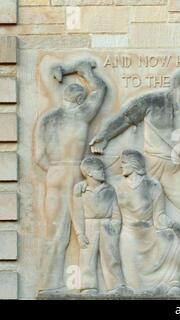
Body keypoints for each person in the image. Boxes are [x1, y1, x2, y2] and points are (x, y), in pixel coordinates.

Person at [90, 69, 180, 217]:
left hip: (172, 170)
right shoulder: (152, 101)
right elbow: (125, 119)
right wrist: (104, 137)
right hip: (149, 166)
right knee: (136, 208)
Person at [34, 60, 107, 293]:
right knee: (83, 230)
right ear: (78, 100)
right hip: (75, 171)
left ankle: (48, 285)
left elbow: (39, 157)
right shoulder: (81, 114)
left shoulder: (46, 119)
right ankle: (83, 284)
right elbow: (101, 89)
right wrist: (82, 70)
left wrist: (56, 170)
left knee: (54, 231)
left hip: (54, 173)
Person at [115, 149, 180, 294]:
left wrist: (175, 225)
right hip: (129, 235)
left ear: (134, 164)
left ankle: (172, 283)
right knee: (135, 289)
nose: (120, 166)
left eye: (123, 162)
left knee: (179, 237)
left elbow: (159, 216)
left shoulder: (153, 185)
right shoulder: (117, 186)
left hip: (149, 233)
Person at [72, 157, 128, 295]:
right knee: (87, 257)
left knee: (111, 256)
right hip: (89, 225)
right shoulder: (81, 190)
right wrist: (80, 233)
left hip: (107, 225)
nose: (103, 172)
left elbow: (116, 210)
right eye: (100, 169)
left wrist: (115, 226)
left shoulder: (109, 189)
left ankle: (115, 285)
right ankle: (88, 287)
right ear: (89, 172)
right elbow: (77, 212)